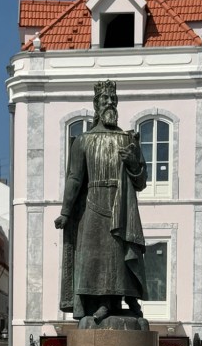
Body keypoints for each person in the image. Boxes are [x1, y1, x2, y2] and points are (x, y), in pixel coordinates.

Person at [54, 80, 148, 324]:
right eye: (105, 99)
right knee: (97, 257)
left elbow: (141, 182)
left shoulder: (128, 139)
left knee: (121, 253)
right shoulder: (83, 140)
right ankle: (103, 301)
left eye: (113, 99)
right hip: (92, 205)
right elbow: (74, 178)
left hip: (122, 204)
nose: (110, 103)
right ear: (96, 104)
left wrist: (133, 163)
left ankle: (128, 299)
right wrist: (65, 212)